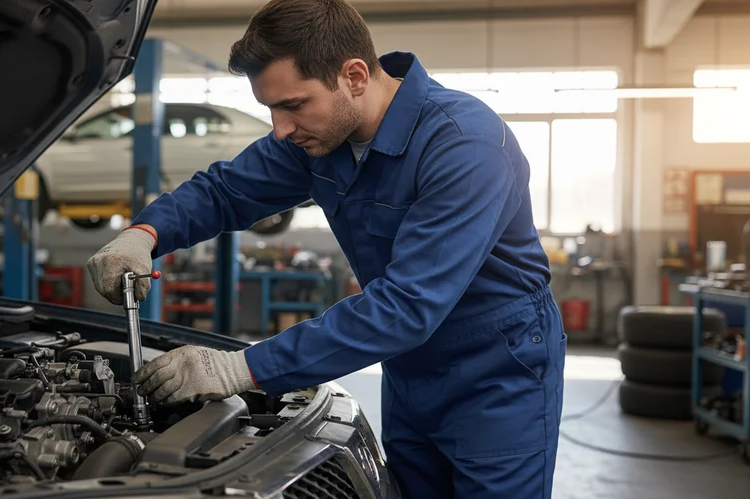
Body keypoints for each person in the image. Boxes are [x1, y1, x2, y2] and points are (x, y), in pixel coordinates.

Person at [87, 0, 566, 497]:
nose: (280, 128)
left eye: (292, 105)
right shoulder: (319, 137)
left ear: (355, 76)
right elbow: (225, 191)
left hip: (498, 373)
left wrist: (241, 367)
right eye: (271, 109)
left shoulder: (464, 144)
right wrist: (143, 235)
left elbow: (406, 305)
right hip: (409, 368)